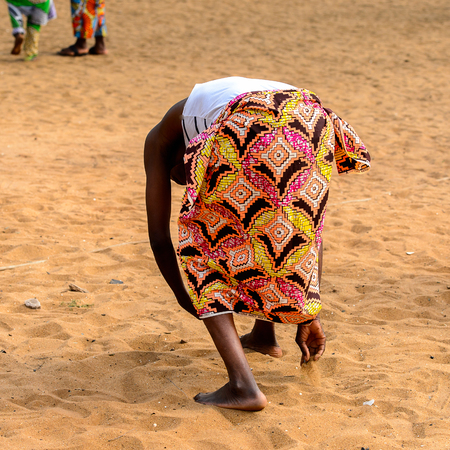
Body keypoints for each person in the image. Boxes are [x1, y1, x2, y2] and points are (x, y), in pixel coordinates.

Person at [144, 77, 371, 411]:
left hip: (246, 120)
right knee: (291, 226)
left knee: (203, 243)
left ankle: (242, 386)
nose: (182, 181)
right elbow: (304, 236)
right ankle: (264, 337)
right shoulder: (204, 110)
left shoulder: (158, 140)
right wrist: (307, 312)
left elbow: (160, 238)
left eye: (182, 176)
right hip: (312, 118)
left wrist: (186, 297)